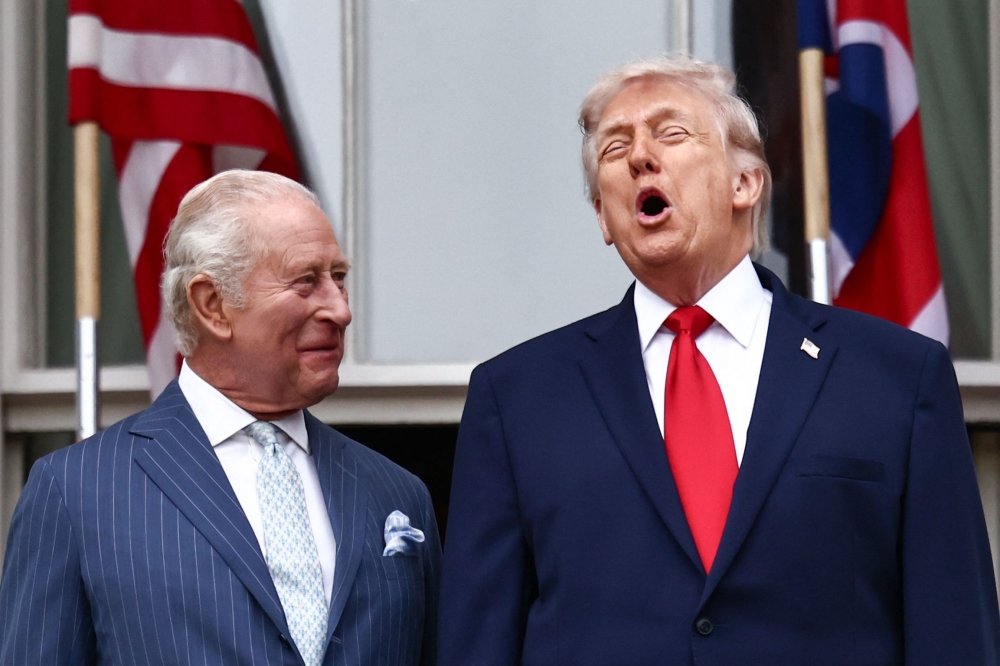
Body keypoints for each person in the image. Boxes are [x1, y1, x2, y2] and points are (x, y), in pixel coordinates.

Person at [438, 56, 1000, 665]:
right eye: (614, 149)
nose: (639, 158)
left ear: (745, 183)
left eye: (671, 133)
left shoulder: (895, 378)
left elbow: (956, 633)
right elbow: (477, 644)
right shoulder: (516, 398)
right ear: (603, 215)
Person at [0, 170, 440, 666]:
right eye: (306, 282)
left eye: (338, 278)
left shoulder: (396, 493)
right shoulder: (78, 493)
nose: (340, 309)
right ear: (213, 305)